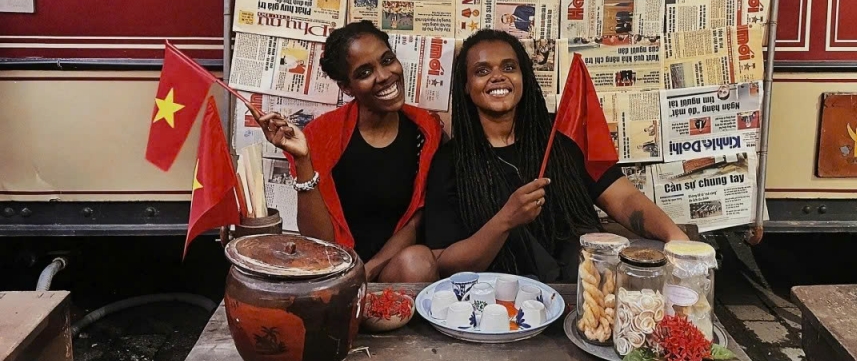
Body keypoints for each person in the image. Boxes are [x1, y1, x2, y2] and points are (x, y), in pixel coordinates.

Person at [424, 29, 687, 281]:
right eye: (482, 71)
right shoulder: (450, 162)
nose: (498, 77)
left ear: (523, 77)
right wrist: (505, 220)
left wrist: (676, 238)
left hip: (582, 295)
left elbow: (625, 198)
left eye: (509, 67)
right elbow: (445, 262)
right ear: (466, 87)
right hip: (500, 303)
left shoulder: (559, 140)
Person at [252, 20, 441, 282]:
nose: (384, 76)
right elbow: (318, 242)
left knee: (418, 261)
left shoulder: (426, 131)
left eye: (387, 60)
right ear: (346, 87)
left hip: (391, 270)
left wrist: (369, 269)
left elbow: (416, 220)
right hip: (335, 270)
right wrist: (303, 159)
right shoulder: (321, 135)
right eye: (364, 73)